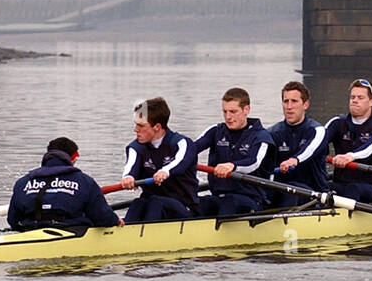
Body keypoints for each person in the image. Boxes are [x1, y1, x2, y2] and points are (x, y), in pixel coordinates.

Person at [7, 136, 121, 231]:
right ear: (72, 159)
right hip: (71, 233)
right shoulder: (84, 181)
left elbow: (13, 220)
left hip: (30, 231)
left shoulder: (23, 183)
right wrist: (115, 220)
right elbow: (103, 218)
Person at [193, 87, 276, 217]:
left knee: (229, 202)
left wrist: (232, 166)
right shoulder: (215, 131)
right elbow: (191, 149)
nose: (228, 117)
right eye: (225, 112)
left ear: (246, 110)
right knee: (198, 203)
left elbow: (254, 162)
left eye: (233, 111)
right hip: (219, 197)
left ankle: (219, 235)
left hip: (251, 199)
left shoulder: (261, 137)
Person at [121, 97, 198, 222]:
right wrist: (128, 177)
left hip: (184, 206)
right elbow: (130, 168)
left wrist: (165, 171)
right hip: (152, 204)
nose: (135, 129)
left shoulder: (182, 143)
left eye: (141, 125)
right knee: (138, 203)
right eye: (135, 124)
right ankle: (126, 233)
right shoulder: (135, 148)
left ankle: (145, 238)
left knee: (156, 202)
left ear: (157, 127)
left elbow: (180, 163)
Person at [324, 78, 372, 204]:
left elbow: (369, 149)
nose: (355, 100)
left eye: (360, 97)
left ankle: (341, 220)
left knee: (354, 189)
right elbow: (317, 142)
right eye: (352, 97)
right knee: (321, 186)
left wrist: (349, 157)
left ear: (371, 102)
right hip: (343, 185)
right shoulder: (337, 123)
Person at [269, 81, 328, 206]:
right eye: (286, 101)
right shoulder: (273, 133)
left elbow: (309, 150)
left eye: (294, 101)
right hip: (282, 190)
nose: (289, 107)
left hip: (314, 194)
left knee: (292, 189)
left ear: (305, 104)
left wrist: (294, 160)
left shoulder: (317, 130)